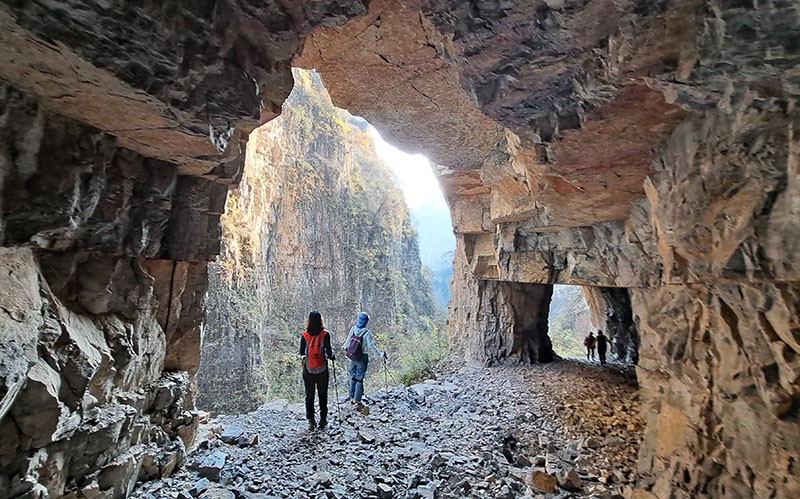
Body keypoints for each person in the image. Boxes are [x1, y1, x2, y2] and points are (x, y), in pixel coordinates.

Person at [299, 310, 335, 430]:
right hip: (322, 370)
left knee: (309, 395)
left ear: (308, 321)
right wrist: (332, 356)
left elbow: (301, 352)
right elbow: (329, 353)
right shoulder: (325, 334)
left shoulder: (304, 335)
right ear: (320, 320)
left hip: (308, 370)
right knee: (323, 395)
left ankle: (311, 420)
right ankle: (323, 420)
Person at [341, 312, 386, 407]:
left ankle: (351, 397)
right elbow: (370, 345)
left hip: (352, 356)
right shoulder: (367, 332)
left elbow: (347, 342)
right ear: (366, 321)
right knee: (359, 378)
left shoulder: (353, 328)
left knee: (352, 377)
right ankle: (357, 400)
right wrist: (380, 355)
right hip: (362, 357)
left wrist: (347, 350)